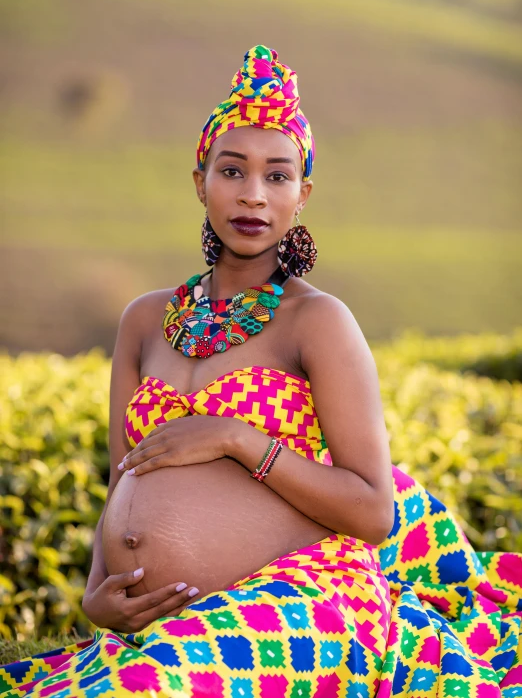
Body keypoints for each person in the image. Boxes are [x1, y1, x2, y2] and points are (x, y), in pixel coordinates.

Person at [2, 45, 520, 698]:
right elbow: (122, 473)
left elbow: (374, 511)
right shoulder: (143, 320)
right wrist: (96, 596)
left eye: (277, 176)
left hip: (308, 598)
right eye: (232, 170)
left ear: (302, 194)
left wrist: (238, 438)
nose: (253, 194)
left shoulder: (319, 322)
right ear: (200, 181)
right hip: (175, 614)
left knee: (137, 689)